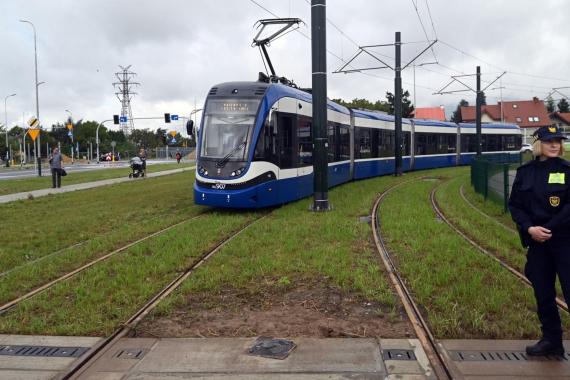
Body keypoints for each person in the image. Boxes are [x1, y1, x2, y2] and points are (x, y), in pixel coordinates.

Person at [509, 125, 570, 357]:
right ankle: (551, 341)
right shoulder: (525, 172)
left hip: (564, 241)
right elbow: (515, 205)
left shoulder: (567, 170)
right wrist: (529, 228)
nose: (554, 145)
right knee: (543, 293)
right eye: (548, 141)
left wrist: (548, 228)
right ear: (538, 145)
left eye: (557, 141)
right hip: (537, 242)